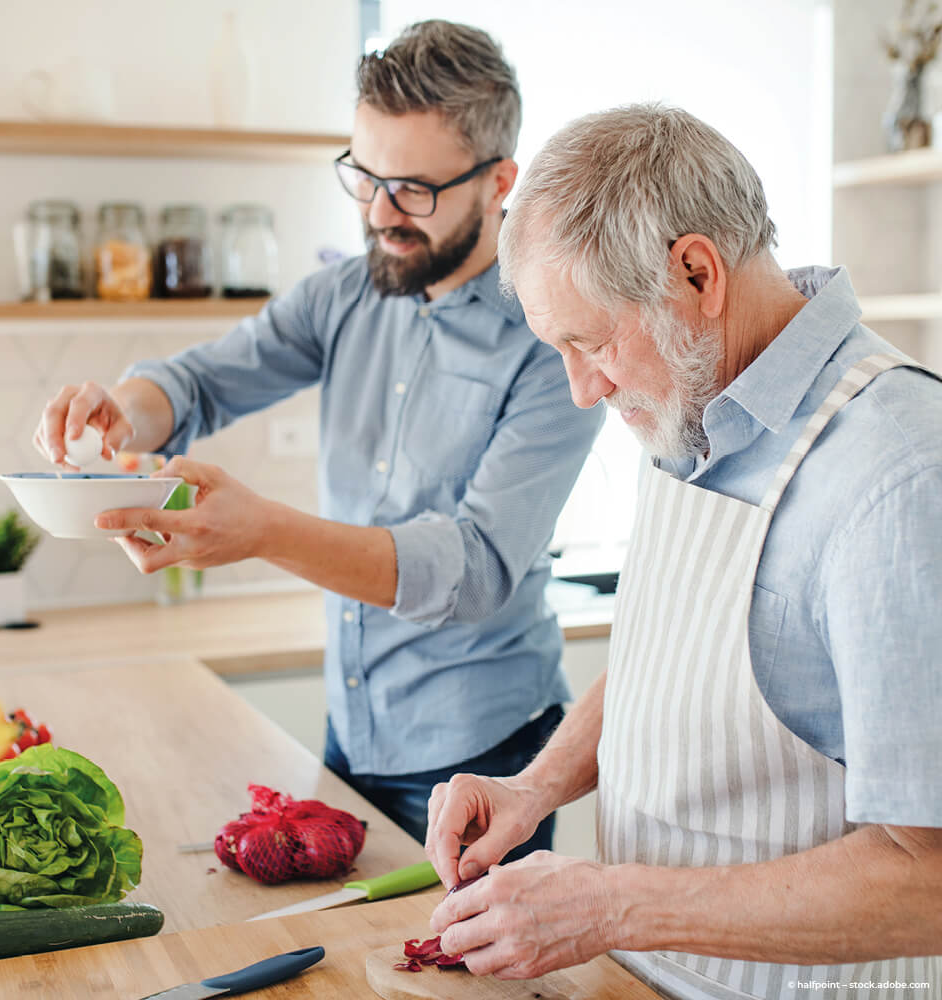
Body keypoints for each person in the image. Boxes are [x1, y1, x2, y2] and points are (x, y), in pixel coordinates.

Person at [33, 21, 604, 852]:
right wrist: (122, 408)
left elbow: (474, 570)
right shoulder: (346, 293)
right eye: (364, 176)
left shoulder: (554, 337)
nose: (380, 213)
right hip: (353, 737)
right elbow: (202, 380)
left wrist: (262, 531)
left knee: (476, 984)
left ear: (498, 181)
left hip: (490, 758)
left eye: (412, 188)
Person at [425, 104, 942, 998]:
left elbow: (929, 878)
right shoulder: (692, 399)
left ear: (697, 272)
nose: (582, 389)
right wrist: (536, 787)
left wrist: (612, 907)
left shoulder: (898, 476)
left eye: (590, 342)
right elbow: (671, 654)